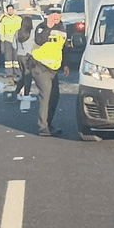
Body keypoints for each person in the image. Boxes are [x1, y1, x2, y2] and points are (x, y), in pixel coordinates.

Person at [30, 8, 69, 136]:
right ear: (48, 15)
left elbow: (62, 48)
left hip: (53, 68)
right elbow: (39, 40)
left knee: (54, 96)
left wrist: (65, 65)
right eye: (53, 13)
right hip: (40, 66)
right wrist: (48, 27)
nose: (56, 16)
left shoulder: (62, 28)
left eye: (58, 13)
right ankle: (43, 127)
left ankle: (49, 123)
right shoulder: (41, 27)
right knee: (46, 95)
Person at [0, 4, 23, 90]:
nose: (10, 11)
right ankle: (8, 73)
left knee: (16, 57)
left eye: (11, 9)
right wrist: (3, 39)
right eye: (9, 10)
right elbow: (1, 29)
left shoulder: (18, 19)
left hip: (16, 40)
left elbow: (21, 29)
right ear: (7, 11)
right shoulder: (4, 19)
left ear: (14, 10)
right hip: (7, 40)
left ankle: (18, 72)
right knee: (8, 58)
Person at [14, 14, 36, 100]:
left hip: (19, 55)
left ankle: (16, 92)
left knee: (23, 75)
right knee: (28, 76)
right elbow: (35, 44)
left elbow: (14, 45)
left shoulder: (17, 32)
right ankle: (26, 95)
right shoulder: (32, 33)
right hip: (28, 56)